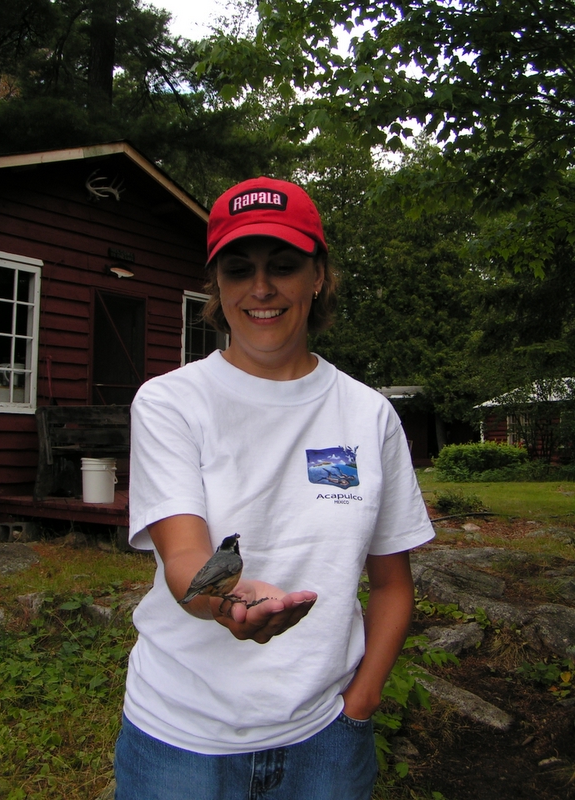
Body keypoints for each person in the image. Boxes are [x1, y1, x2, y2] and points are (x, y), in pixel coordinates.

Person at [114, 177, 435, 800]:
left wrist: (360, 704)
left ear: (319, 276)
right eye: (239, 270)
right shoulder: (170, 402)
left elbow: (393, 585)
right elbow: (184, 557)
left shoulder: (368, 416)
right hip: (179, 741)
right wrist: (225, 604)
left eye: (283, 266)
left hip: (326, 743)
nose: (261, 289)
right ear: (217, 287)